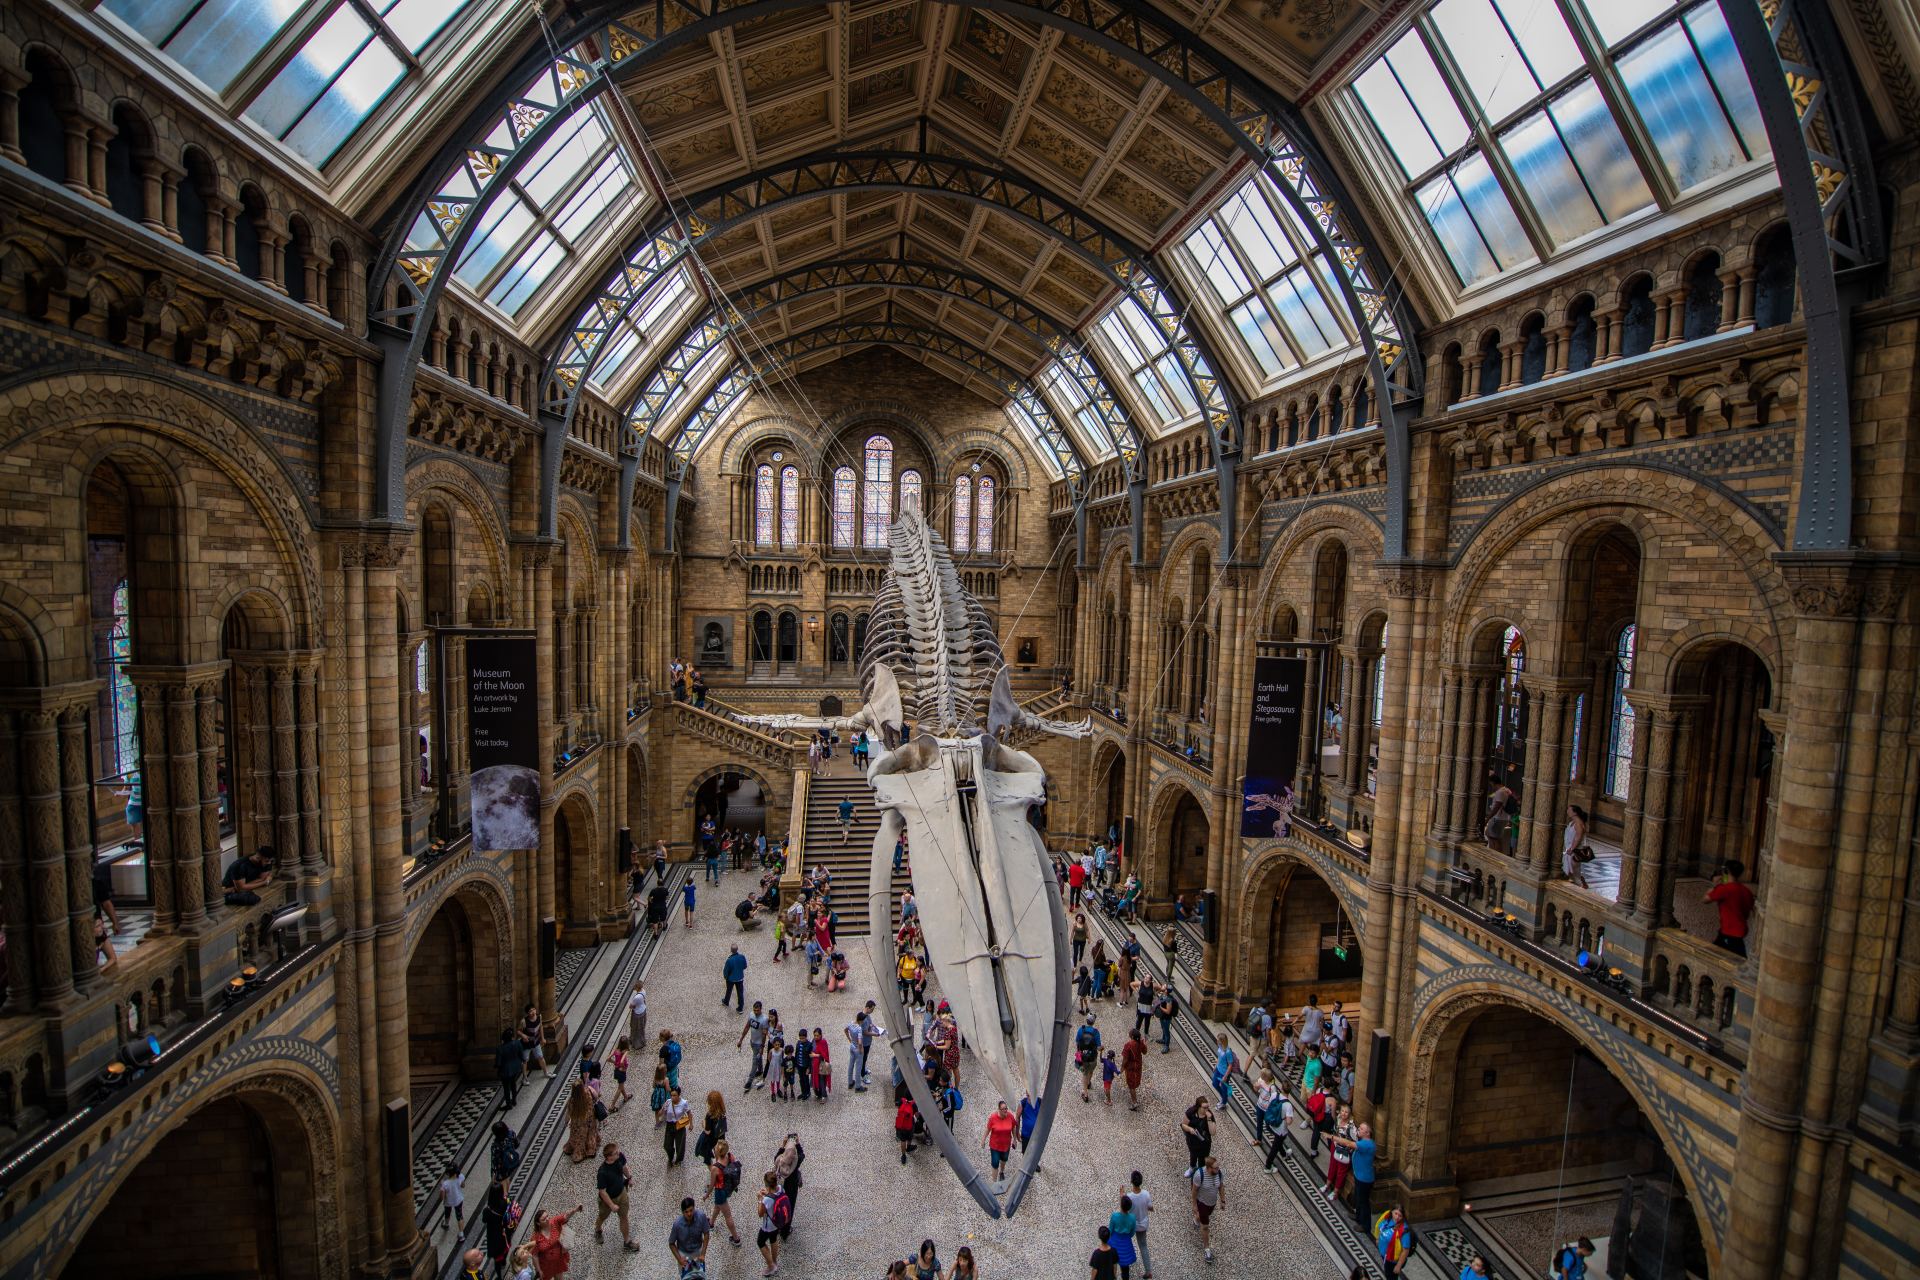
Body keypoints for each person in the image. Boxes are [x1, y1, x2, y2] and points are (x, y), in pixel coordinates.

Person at [591, 1141, 640, 1251]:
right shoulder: (603, 1172)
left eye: (618, 1152)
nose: (619, 1154)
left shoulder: (620, 1157)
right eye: (616, 1153)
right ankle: (598, 1229)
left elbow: (624, 1167)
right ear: (609, 1157)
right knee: (602, 1216)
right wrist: (611, 1205)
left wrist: (629, 1177)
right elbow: (602, 1191)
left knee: (624, 1217)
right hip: (607, 1200)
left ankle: (627, 1242)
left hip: (621, 1193)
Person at [1705, 860, 1756, 956]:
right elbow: (1752, 910)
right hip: (1738, 931)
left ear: (1726, 872)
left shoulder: (1724, 889)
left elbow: (1705, 899)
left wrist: (1714, 885)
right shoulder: (1747, 891)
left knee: (1729, 958)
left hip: (1730, 932)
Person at [705, 1137, 743, 1246]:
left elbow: (712, 1185)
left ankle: (736, 1239)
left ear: (717, 1151)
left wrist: (706, 1195)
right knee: (718, 1206)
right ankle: (711, 1223)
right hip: (727, 1188)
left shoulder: (715, 1168)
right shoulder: (730, 1156)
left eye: (716, 1147)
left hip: (720, 1191)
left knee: (727, 1215)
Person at [530, 1204, 582, 1280]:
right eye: (544, 1219)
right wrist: (539, 1270)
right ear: (538, 1223)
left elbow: (565, 1216)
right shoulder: (535, 1237)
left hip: (558, 1261)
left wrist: (575, 1210)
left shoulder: (554, 1222)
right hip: (545, 1266)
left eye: (547, 1216)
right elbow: (535, 1255)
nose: (547, 1219)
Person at [1188, 1155, 1223, 1264]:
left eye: (1218, 1167)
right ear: (1208, 1168)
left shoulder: (1219, 1174)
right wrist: (1194, 1205)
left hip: (1211, 1203)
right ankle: (1207, 1250)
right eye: (1215, 1168)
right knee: (1205, 1226)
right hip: (1201, 1202)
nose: (1218, 1169)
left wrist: (1223, 1200)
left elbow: (1221, 1186)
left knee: (1202, 1217)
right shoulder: (1200, 1175)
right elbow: (1194, 1191)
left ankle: (1196, 1219)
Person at [668, 1196, 712, 1275]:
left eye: (691, 1210)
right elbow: (671, 1243)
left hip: (698, 1251)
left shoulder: (701, 1216)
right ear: (682, 1212)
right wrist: (679, 1259)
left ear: (694, 1208)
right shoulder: (677, 1225)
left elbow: (706, 1234)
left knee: (700, 1275)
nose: (689, 1214)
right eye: (686, 1212)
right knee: (686, 1276)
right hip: (683, 1254)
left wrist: (703, 1253)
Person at [772, 1134, 805, 1238]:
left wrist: (783, 1145)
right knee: (789, 1208)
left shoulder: (779, 1160)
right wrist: (798, 1144)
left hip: (779, 1188)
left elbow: (776, 1157)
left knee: (777, 1207)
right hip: (791, 1188)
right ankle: (785, 1231)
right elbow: (802, 1155)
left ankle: (776, 1226)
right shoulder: (795, 1162)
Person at [1347, 1122, 1377, 1228]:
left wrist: (1333, 1137)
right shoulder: (1363, 1142)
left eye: (1361, 1128)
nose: (1358, 1129)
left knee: (1364, 1202)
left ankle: (1365, 1225)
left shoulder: (1366, 1144)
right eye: (1359, 1127)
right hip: (1359, 1175)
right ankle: (1358, 1216)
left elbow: (1350, 1144)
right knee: (1359, 1198)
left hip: (1364, 1179)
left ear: (1368, 1133)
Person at [564, 1076, 600, 1163]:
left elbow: (568, 1113)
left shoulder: (572, 1100)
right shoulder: (588, 1091)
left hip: (577, 1123)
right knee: (590, 1134)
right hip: (589, 1119)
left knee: (578, 1137)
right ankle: (591, 1150)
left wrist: (566, 1122)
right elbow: (596, 1096)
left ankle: (577, 1154)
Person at [1127, 1171, 1154, 1280]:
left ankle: (1127, 1259)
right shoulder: (1146, 1194)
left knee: (1127, 1241)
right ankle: (1148, 1272)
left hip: (1131, 1225)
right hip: (1142, 1225)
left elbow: (1125, 1209)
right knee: (1143, 1246)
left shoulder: (1129, 1197)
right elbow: (1150, 1207)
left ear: (1131, 1182)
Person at [740, 1000, 772, 1090]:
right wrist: (741, 1040)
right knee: (758, 1058)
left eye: (757, 1010)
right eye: (754, 1010)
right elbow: (747, 1027)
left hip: (758, 1044)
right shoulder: (751, 1015)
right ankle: (760, 1070)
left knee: (754, 1061)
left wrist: (762, 1047)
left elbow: (764, 1034)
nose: (756, 1012)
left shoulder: (764, 1019)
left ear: (761, 1009)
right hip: (752, 1042)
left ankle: (749, 1081)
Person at [659, 1086, 693, 1166]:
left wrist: (691, 1124)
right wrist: (663, 1109)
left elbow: (689, 1113)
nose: (672, 1097)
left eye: (674, 1095)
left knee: (680, 1145)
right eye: (671, 1095)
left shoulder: (684, 1103)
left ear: (679, 1095)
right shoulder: (668, 1102)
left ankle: (678, 1160)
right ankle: (670, 1156)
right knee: (667, 1145)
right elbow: (660, 1113)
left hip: (679, 1125)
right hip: (669, 1125)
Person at [1374, 1206, 1413, 1275]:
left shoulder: (1404, 1231)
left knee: (1390, 1276)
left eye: (1400, 1216)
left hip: (1392, 1260)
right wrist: (1378, 1238)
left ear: (1403, 1217)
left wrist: (1398, 1266)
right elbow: (1382, 1228)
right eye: (1396, 1213)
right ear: (1392, 1211)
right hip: (1384, 1254)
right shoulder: (1387, 1218)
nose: (1397, 1217)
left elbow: (1405, 1250)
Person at [1181, 1096, 1213, 1177]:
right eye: (1204, 1107)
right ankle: (1192, 1167)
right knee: (1193, 1154)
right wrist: (1189, 1129)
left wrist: (1209, 1119)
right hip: (1192, 1139)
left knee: (1203, 1159)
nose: (1207, 1109)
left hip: (1205, 1142)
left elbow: (1213, 1132)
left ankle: (1200, 1173)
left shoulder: (1209, 1115)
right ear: (1199, 1107)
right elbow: (1183, 1124)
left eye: (1208, 1107)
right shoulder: (1191, 1112)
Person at [495, 1027, 527, 1107]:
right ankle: (514, 1100)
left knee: (506, 1088)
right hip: (516, 1068)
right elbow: (522, 1055)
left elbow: (498, 1063)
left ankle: (508, 1104)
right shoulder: (517, 1043)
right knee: (513, 1084)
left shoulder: (500, 1048)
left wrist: (497, 1068)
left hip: (505, 1071)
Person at [694, 1090, 728, 1166]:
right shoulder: (722, 1112)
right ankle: (720, 1168)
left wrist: (703, 1123)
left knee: (707, 1159)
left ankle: (714, 1173)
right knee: (719, 1155)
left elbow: (707, 1131)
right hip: (720, 1138)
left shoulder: (710, 1115)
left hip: (710, 1139)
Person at [1563, 803, 1591, 887]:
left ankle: (1581, 886)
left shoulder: (1578, 823)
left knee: (1573, 870)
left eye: (1569, 810)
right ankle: (1580, 882)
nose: (1567, 811)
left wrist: (1572, 848)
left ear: (1575, 813)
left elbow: (1578, 837)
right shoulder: (1572, 822)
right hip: (1569, 849)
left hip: (1575, 850)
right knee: (1570, 870)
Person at [985, 1098, 1016, 1173]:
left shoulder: (1010, 1116)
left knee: (1004, 1159)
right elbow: (988, 1129)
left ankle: (1001, 1172)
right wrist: (983, 1139)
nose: (1005, 1110)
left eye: (1006, 1108)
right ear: (999, 1109)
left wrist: (1015, 1140)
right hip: (995, 1145)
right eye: (1003, 1109)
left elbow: (1013, 1128)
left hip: (1006, 1145)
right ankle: (995, 1182)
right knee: (995, 1163)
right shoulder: (993, 1118)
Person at [1075, 1014, 1102, 1101]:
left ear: (1086, 1021)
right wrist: (1102, 1048)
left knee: (1084, 1074)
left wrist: (1079, 1052)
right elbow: (1098, 1047)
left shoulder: (1081, 1030)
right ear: (1093, 1022)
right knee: (1090, 1071)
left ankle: (1085, 1093)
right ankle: (1089, 1082)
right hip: (1092, 1058)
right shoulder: (1096, 1032)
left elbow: (1077, 1042)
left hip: (1083, 1057)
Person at [437, 1161, 464, 1234]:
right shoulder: (461, 1176)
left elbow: (441, 1197)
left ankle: (446, 1224)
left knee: (447, 1213)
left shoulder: (445, 1184)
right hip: (458, 1200)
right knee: (459, 1216)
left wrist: (442, 1186)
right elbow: (463, 1186)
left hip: (448, 1202)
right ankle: (461, 1234)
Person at [1209, 1032, 1236, 1107]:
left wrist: (1225, 1076)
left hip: (1224, 1073)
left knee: (1224, 1088)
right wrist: (1215, 1066)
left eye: (1218, 1040)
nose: (1217, 1041)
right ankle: (1223, 1097)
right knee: (1215, 1083)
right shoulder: (1220, 1047)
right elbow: (1219, 1057)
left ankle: (1224, 1102)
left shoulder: (1228, 1052)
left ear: (1223, 1041)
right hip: (1218, 1069)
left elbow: (1230, 1065)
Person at [1121, 1028, 1145, 1110]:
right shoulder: (1140, 1043)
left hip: (1131, 1067)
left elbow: (1125, 1059)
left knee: (1131, 1085)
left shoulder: (1128, 1045)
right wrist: (1144, 1043)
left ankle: (1134, 1102)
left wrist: (1122, 1068)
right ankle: (1134, 1100)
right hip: (1138, 1066)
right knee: (1134, 1082)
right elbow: (1145, 1051)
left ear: (1131, 1036)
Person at [609, 1036, 632, 1112]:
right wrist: (623, 1067)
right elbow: (622, 1061)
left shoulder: (616, 1050)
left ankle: (625, 1097)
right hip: (621, 1071)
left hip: (616, 1070)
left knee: (621, 1085)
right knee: (619, 1088)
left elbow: (608, 1058)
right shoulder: (625, 1051)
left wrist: (615, 1063)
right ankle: (612, 1106)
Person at [722, 944, 747, 1010]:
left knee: (729, 990)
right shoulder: (742, 957)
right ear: (737, 949)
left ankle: (726, 1001)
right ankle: (740, 1007)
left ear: (731, 950)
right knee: (740, 993)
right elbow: (745, 966)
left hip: (731, 979)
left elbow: (726, 970)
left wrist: (725, 977)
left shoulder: (729, 960)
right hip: (740, 978)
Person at [896, 1094, 917, 1163]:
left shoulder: (901, 1100)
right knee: (910, 1137)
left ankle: (903, 1155)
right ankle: (909, 1147)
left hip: (901, 1124)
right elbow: (916, 1114)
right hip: (910, 1125)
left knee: (903, 1140)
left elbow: (898, 1107)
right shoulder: (914, 1104)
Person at [1154, 986, 1176, 1053]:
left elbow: (1168, 1011)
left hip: (1166, 1018)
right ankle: (1163, 1039)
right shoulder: (1163, 995)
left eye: (1165, 987)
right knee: (1163, 1028)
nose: (1163, 987)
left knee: (1166, 1032)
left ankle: (1167, 1046)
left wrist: (1160, 1007)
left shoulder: (1169, 1000)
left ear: (1166, 990)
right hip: (1162, 1016)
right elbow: (1155, 994)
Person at [629, 980, 649, 1051]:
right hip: (643, 1010)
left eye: (635, 986)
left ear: (637, 987)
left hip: (637, 1013)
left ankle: (637, 1043)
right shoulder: (643, 991)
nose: (633, 987)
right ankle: (641, 1041)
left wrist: (631, 1005)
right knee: (640, 1027)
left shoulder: (637, 997)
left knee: (635, 1027)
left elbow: (631, 1006)